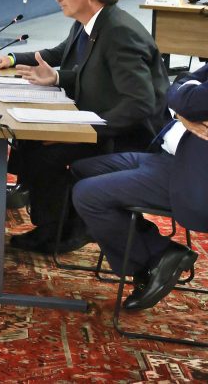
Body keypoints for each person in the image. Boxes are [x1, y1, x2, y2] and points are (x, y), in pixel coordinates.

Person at [0, 0, 169, 254]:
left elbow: (140, 104)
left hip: (127, 135)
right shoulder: (89, 24)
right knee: (29, 141)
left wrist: (83, 129)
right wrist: (12, 58)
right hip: (100, 118)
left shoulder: (119, 32)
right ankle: (52, 219)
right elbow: (61, 53)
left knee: (46, 152)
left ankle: (65, 231)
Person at [72, 63, 207, 310]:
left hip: (193, 176)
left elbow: (188, 97)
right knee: (80, 169)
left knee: (87, 194)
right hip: (167, 156)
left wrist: (184, 102)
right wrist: (182, 112)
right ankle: (157, 253)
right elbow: (179, 85)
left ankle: (153, 260)